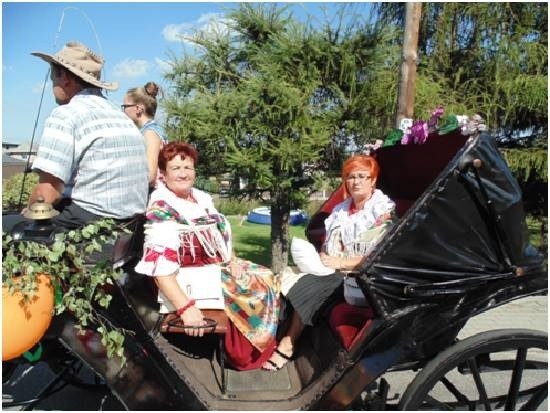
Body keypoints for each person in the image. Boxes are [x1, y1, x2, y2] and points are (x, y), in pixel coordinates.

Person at [134, 142, 280, 370]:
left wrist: (232, 260)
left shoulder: (200, 197)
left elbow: (218, 234)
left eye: (188, 167)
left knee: (266, 275)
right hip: (188, 277)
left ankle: (265, 344)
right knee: (255, 286)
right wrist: (185, 308)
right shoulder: (162, 207)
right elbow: (160, 269)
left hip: (214, 265)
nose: (183, 174)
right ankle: (246, 355)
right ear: (163, 174)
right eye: (175, 168)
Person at [263, 154, 395, 371]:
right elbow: (332, 245)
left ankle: (288, 345)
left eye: (363, 176)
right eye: (351, 177)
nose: (356, 182)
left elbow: (380, 256)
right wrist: (325, 257)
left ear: (373, 180)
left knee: (315, 284)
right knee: (290, 280)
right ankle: (277, 338)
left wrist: (340, 262)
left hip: (367, 278)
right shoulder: (342, 210)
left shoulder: (382, 211)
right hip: (337, 270)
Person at [26, 41, 148, 229]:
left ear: (64, 77)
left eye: (53, 77)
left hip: (91, 225)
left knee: (15, 228)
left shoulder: (67, 114)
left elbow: (47, 193)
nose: (53, 84)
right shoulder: (121, 117)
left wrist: (27, 212)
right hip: (131, 227)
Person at [123, 81, 167, 188]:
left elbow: (150, 175)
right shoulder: (152, 130)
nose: (123, 111)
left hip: (153, 195)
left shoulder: (150, 134)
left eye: (125, 106)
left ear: (138, 108)